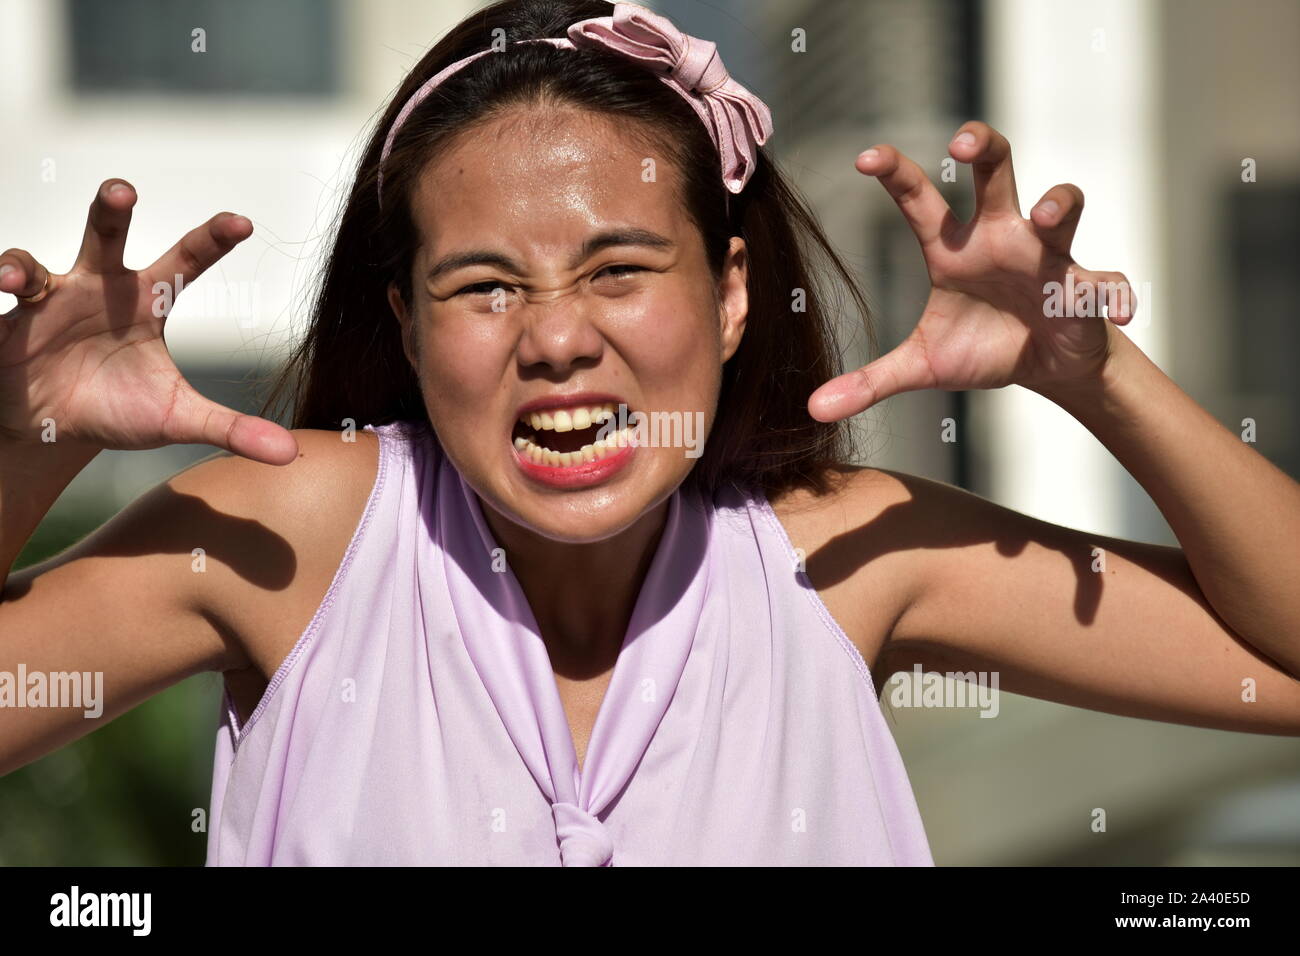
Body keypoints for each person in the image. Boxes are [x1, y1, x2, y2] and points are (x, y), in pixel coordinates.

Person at [1, 0, 1297, 866]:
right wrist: (35, 440)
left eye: (620, 268)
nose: (555, 337)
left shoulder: (841, 558)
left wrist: (1098, 375)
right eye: (485, 285)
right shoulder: (294, 532)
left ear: (733, 298)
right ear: (403, 325)